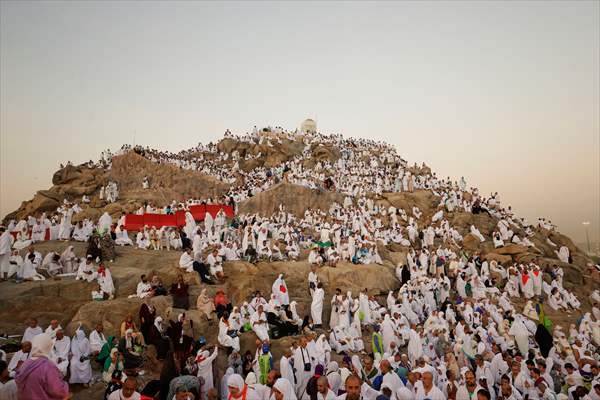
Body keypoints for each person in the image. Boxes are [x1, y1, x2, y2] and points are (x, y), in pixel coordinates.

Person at [15, 333, 69, 400]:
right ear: (47, 346)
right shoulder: (48, 366)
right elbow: (57, 390)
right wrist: (65, 385)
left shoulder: (26, 363)